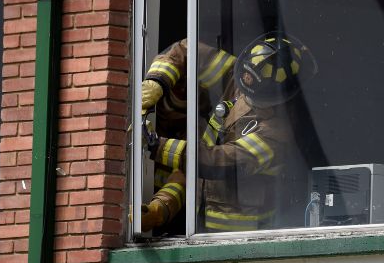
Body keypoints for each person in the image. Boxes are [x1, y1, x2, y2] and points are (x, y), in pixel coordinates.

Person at [136, 32, 317, 233]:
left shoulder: (276, 134)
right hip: (196, 225)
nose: (243, 94)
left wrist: (154, 145)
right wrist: (156, 81)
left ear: (278, 96)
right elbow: (186, 51)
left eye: (252, 93)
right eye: (244, 83)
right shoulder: (241, 78)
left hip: (238, 238)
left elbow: (216, 162)